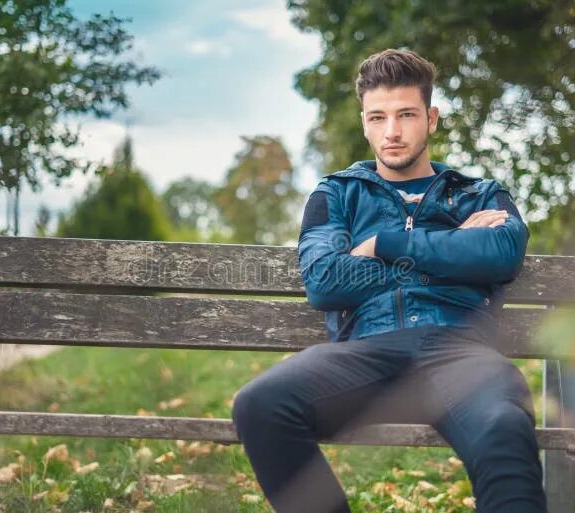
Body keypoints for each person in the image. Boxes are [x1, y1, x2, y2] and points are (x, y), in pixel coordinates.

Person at [232, 48, 547, 513]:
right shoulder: (336, 194)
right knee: (260, 404)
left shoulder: (478, 193)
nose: (392, 132)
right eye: (378, 117)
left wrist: (386, 243)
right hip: (365, 354)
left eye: (406, 115)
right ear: (364, 122)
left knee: (504, 427)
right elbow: (324, 280)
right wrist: (450, 246)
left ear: (432, 118)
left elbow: (501, 254)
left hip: (462, 353)